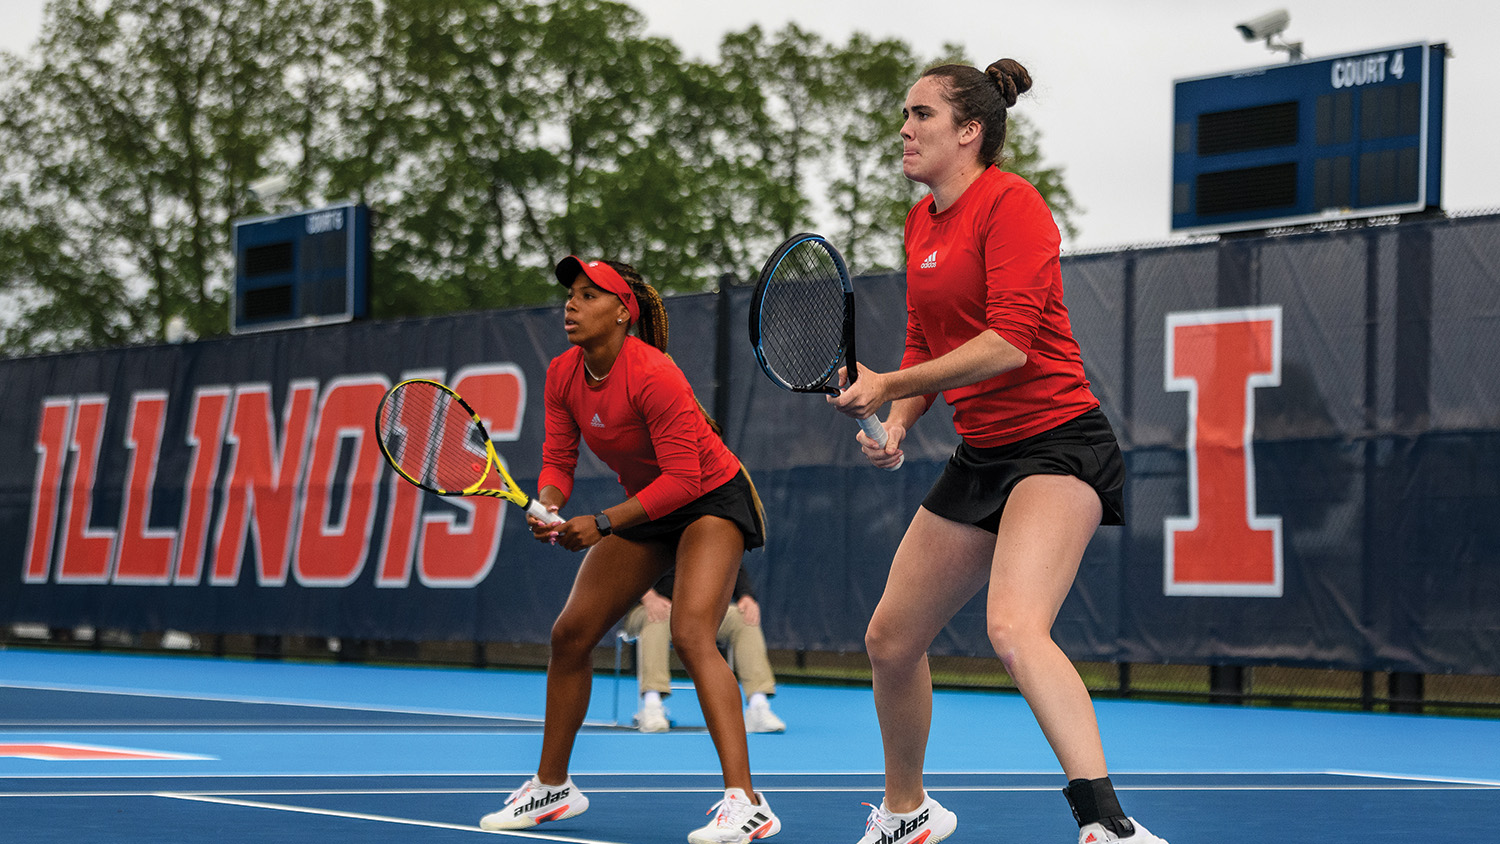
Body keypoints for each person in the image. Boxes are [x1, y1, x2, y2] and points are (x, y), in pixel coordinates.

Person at [828, 59, 1169, 844]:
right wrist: (904, 417)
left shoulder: (1012, 204)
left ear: (969, 131)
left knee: (1014, 626)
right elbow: (926, 340)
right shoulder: (921, 223)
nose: (904, 129)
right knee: (890, 637)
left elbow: (1008, 344)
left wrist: (890, 383)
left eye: (921, 116)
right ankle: (906, 812)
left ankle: (1108, 824)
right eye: (905, 115)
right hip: (981, 455)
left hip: (1058, 446)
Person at [479, 257, 780, 844]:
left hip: (709, 499)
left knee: (693, 632)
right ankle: (552, 787)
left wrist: (602, 522)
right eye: (571, 293)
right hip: (650, 505)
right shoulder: (563, 373)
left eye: (589, 295)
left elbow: (685, 482)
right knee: (571, 634)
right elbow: (558, 460)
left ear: (623, 312)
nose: (571, 303)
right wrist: (548, 503)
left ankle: (746, 804)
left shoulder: (654, 374)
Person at [623, 567, 786, 734]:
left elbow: (734, 564)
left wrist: (746, 595)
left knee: (743, 619)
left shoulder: (710, 540)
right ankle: (652, 705)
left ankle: (758, 706)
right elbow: (626, 567)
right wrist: (649, 597)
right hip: (649, 607)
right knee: (658, 617)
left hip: (699, 614)